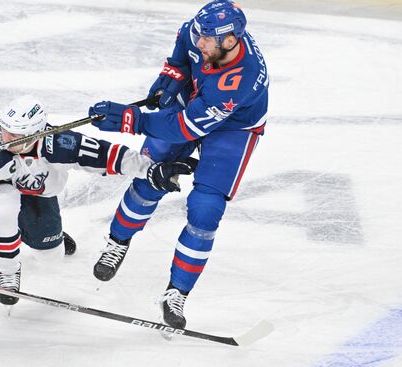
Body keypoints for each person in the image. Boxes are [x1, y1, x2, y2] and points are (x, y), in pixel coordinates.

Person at [88, 1, 268, 328]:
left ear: (229, 42)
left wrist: (132, 119)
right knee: (149, 176)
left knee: (206, 208)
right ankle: (117, 242)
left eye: (207, 40)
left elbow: (184, 128)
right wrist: (171, 75)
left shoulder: (240, 80)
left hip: (233, 128)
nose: (200, 42)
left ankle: (177, 293)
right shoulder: (203, 32)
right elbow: (184, 48)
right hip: (195, 103)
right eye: (199, 33)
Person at [0, 95, 196, 305]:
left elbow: (108, 155)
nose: (4, 139)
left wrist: (150, 169)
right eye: (3, 131)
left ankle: (52, 237)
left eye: (14, 136)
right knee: (4, 206)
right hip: (3, 193)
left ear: (35, 135)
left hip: (41, 195)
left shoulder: (59, 143)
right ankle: (9, 272)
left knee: (51, 255)